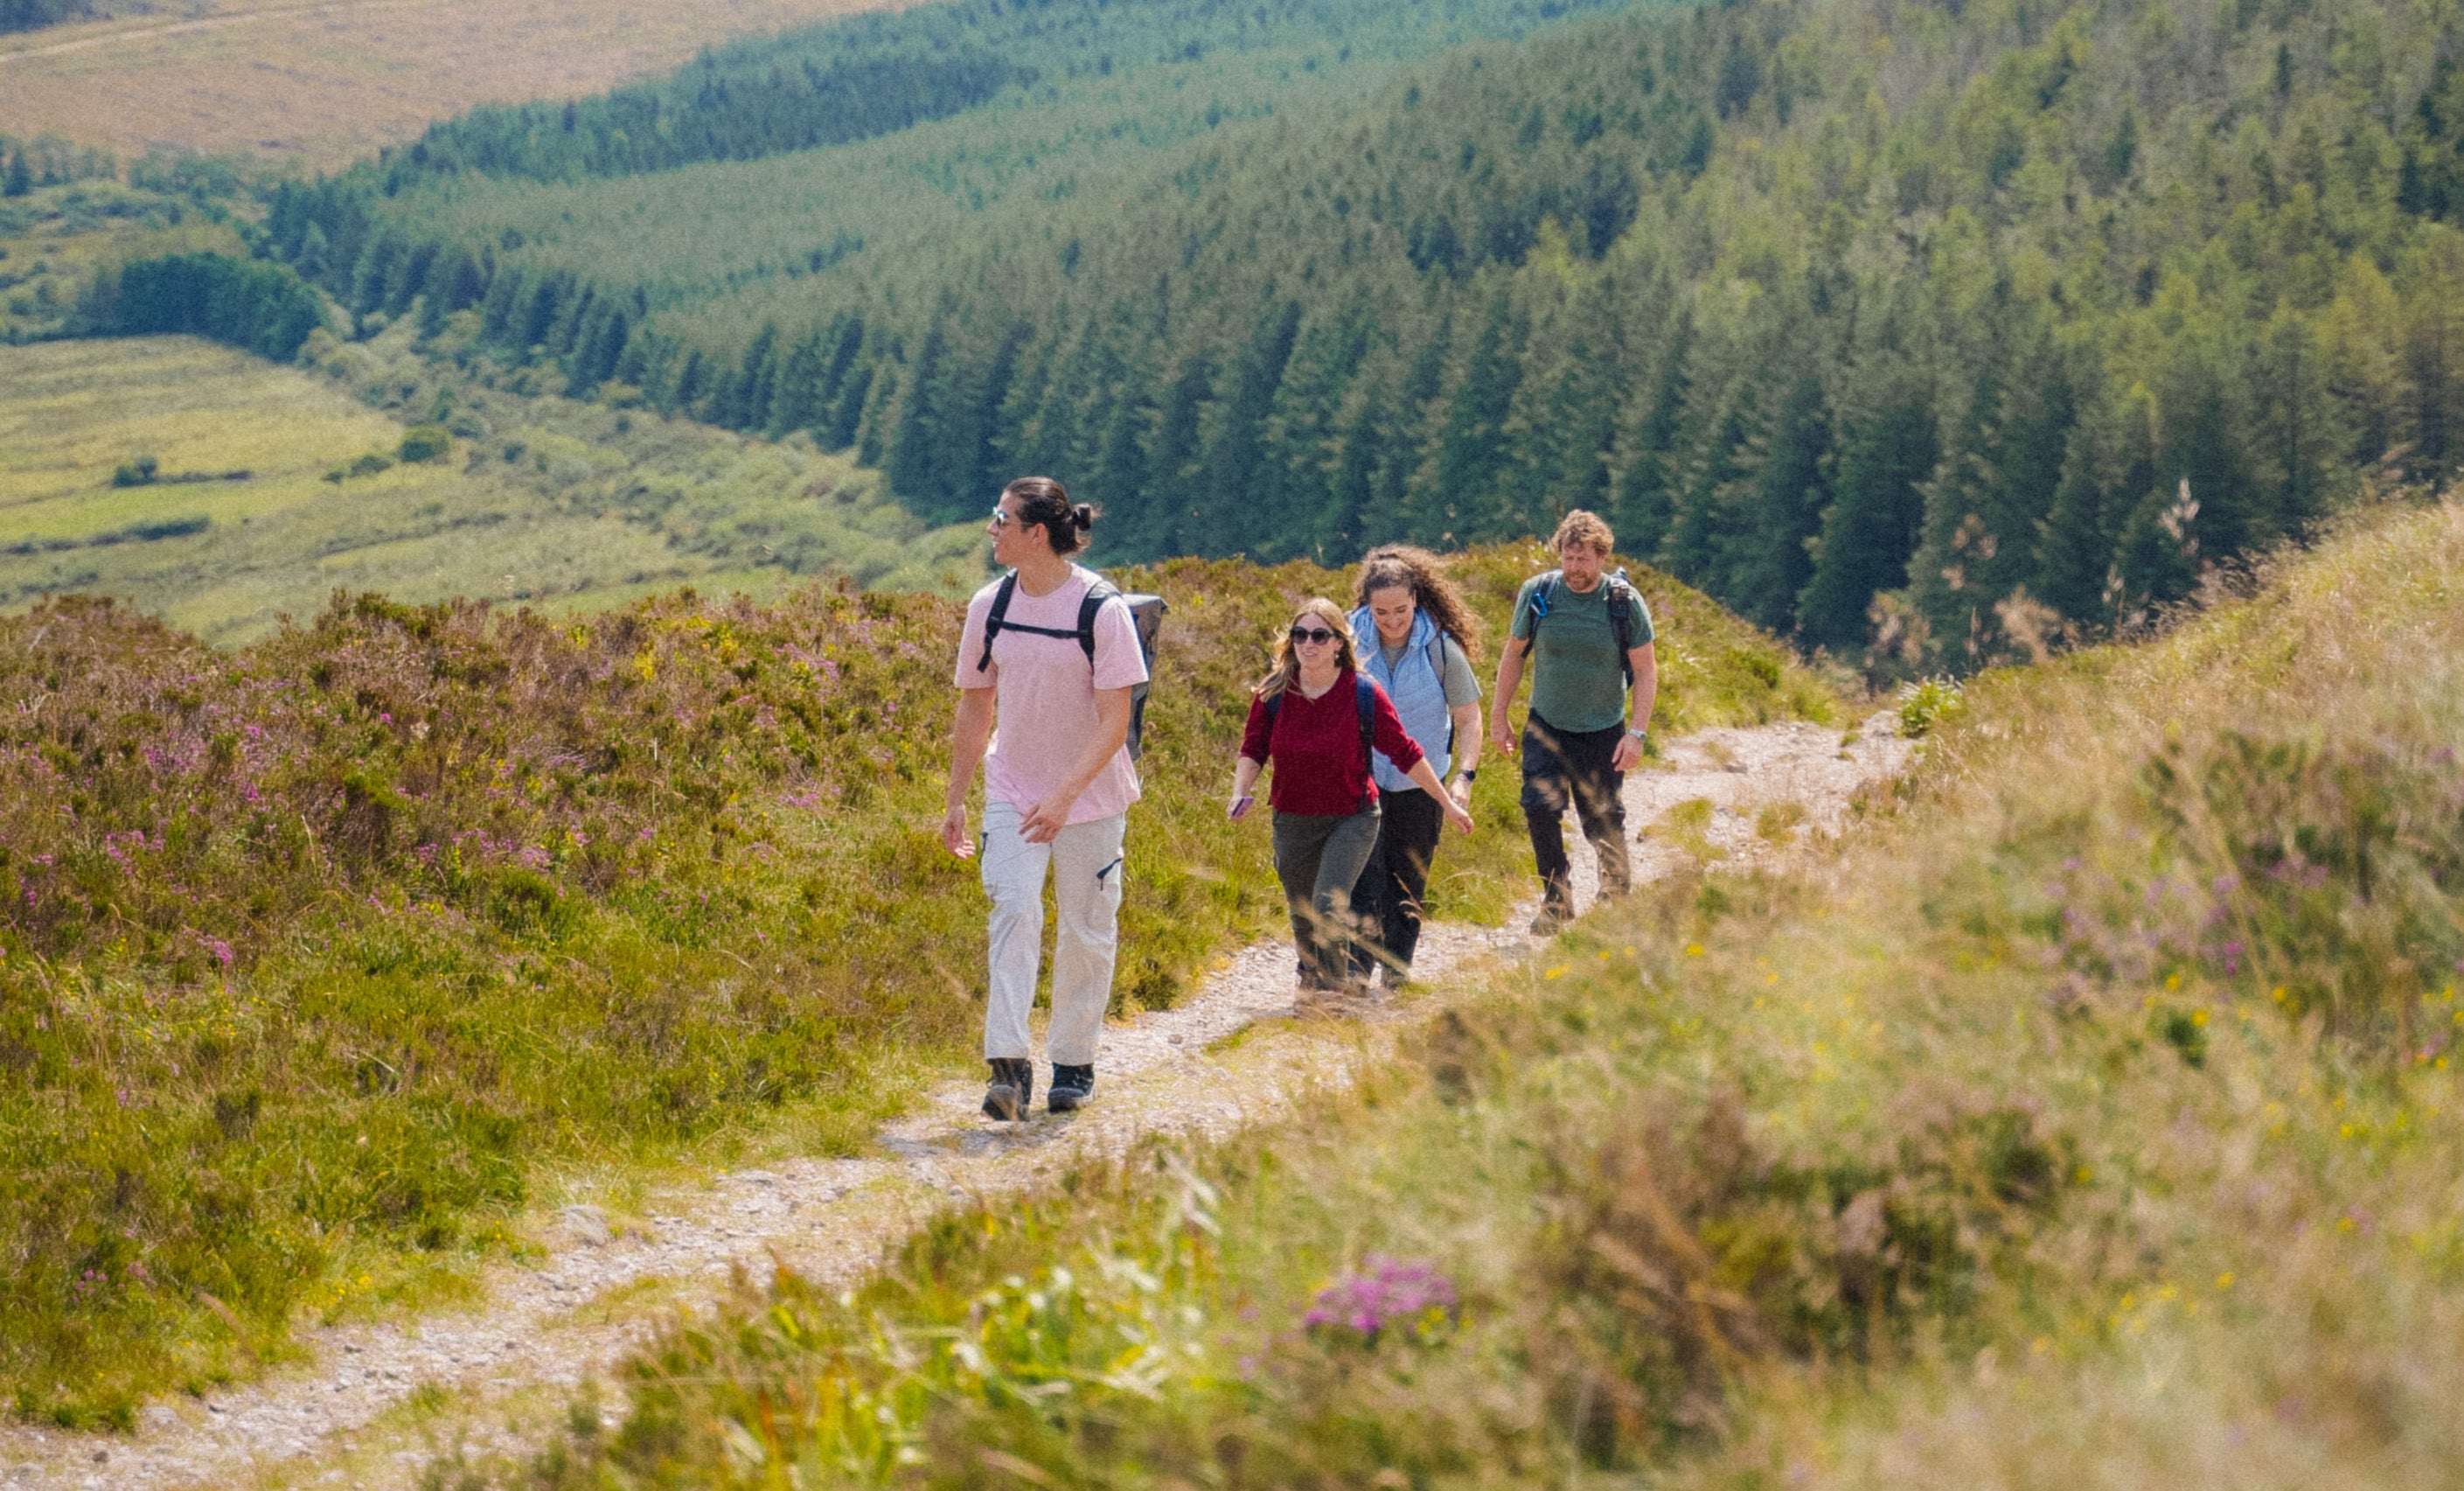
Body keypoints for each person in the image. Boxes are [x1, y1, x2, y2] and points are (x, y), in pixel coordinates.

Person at [942, 477, 1148, 1121]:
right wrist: (955, 800)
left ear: (1037, 533)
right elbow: (977, 706)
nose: (991, 527)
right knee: (1015, 908)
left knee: (1087, 927)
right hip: (1012, 786)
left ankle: (1073, 1064)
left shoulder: (1101, 610)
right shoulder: (989, 606)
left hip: (1090, 794)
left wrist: (1063, 796)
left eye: (1001, 517)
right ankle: (1007, 1068)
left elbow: (1115, 722)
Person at [1229, 599, 1473, 998]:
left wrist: (1447, 802)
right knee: (1303, 911)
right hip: (1293, 819)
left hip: (1352, 817)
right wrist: (1241, 791)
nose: (1309, 644)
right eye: (1300, 635)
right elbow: (1253, 749)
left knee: (1327, 906)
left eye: (1319, 635)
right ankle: (1312, 974)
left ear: (1339, 643)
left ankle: (1333, 993)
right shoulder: (1273, 693)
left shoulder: (1362, 693)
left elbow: (1405, 752)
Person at [1488, 510, 1659, 936]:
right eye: (1568, 558)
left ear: (1602, 557)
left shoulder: (1622, 604)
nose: (1574, 568)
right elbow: (1514, 655)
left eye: (1583, 559)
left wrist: (1636, 733)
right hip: (1546, 725)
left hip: (1603, 730)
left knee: (1603, 818)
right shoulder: (1539, 592)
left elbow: (1646, 671)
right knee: (1538, 809)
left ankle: (1616, 896)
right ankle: (1556, 899)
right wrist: (1499, 716)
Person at [1345, 546, 1483, 986]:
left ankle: (1397, 970)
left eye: (1400, 610)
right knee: (1363, 878)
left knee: (1408, 882)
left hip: (1423, 784)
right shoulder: (1344, 639)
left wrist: (1464, 777)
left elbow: (1468, 717)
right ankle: (1357, 973)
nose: (1391, 620)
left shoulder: (1441, 649)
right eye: (1380, 611)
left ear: (1416, 601)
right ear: (1367, 604)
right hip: (1359, 781)